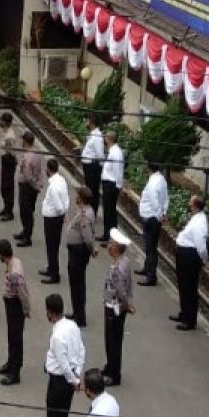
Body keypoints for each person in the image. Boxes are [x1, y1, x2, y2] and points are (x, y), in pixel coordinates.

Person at [42, 293, 84, 417]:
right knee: (60, 415)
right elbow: (81, 350)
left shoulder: (58, 337)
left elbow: (63, 364)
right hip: (69, 376)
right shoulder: (72, 325)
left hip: (60, 380)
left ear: (50, 312)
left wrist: (74, 381)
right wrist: (77, 373)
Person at [101, 228, 135, 386]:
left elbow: (121, 290)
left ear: (115, 248)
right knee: (113, 339)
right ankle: (110, 367)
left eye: (111, 243)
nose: (108, 246)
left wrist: (127, 305)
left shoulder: (116, 269)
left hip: (114, 307)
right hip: (118, 306)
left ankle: (114, 374)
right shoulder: (124, 261)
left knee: (112, 341)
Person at [0, 239, 30, 386]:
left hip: (15, 305)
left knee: (16, 338)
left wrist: (26, 309)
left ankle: (15, 372)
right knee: (11, 335)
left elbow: (22, 292)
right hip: (10, 303)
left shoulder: (15, 271)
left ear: (2, 255)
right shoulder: (13, 262)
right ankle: (10, 363)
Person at [170, 195, 209, 331]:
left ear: (195, 206)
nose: (188, 205)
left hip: (190, 257)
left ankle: (189, 319)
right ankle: (184, 313)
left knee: (189, 288)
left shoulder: (200, 223)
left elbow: (201, 246)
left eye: (190, 203)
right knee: (183, 285)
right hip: (185, 254)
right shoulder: (196, 218)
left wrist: (203, 259)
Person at [64, 187, 97, 327]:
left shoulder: (85, 215)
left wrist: (92, 249)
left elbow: (87, 236)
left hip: (78, 252)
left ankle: (80, 316)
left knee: (77, 284)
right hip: (76, 251)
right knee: (76, 283)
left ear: (81, 198)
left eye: (77, 195)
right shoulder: (84, 211)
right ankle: (77, 311)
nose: (75, 196)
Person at [136, 162, 168, 285]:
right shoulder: (161, 180)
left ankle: (151, 276)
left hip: (151, 218)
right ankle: (147, 268)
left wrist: (159, 215)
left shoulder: (153, 183)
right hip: (155, 217)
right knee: (150, 246)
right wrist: (163, 212)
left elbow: (155, 201)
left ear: (148, 168)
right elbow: (166, 198)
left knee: (150, 248)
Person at [39, 158, 69, 284]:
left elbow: (58, 206)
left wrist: (62, 213)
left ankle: (54, 274)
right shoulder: (61, 180)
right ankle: (51, 268)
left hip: (52, 219)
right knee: (52, 246)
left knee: (52, 246)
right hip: (56, 218)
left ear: (49, 169)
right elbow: (66, 199)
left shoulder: (53, 187)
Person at [14, 132, 43, 248]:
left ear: (25, 141)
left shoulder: (27, 157)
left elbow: (28, 175)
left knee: (25, 212)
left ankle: (27, 237)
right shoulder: (36, 155)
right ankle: (25, 231)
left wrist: (35, 186)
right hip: (31, 187)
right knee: (28, 211)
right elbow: (39, 171)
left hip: (27, 187)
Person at [100, 131, 124, 244]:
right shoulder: (113, 151)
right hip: (109, 184)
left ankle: (109, 237)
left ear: (109, 139)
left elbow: (118, 171)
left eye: (105, 138)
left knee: (109, 212)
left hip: (111, 185)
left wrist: (117, 187)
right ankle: (107, 235)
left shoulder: (115, 153)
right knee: (109, 211)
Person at [80, 115, 104, 214]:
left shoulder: (97, 136)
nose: (87, 123)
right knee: (89, 188)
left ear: (92, 123)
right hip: (88, 166)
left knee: (93, 189)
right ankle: (89, 208)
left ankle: (93, 211)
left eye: (88, 121)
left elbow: (99, 153)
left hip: (92, 167)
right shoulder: (92, 134)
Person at [0, 113, 17, 221]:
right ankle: (6, 208)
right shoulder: (6, 133)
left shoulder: (9, 136)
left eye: (1, 120)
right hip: (5, 160)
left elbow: (10, 151)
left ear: (5, 122)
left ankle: (9, 212)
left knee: (7, 187)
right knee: (3, 187)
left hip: (8, 161)